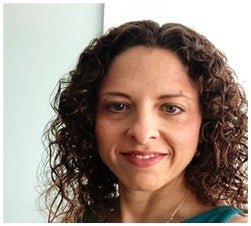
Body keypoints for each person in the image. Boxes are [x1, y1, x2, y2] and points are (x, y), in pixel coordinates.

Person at [40, 20, 248, 223]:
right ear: (89, 118)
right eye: (118, 106)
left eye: (171, 108)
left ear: (207, 124)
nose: (142, 132)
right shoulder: (82, 219)